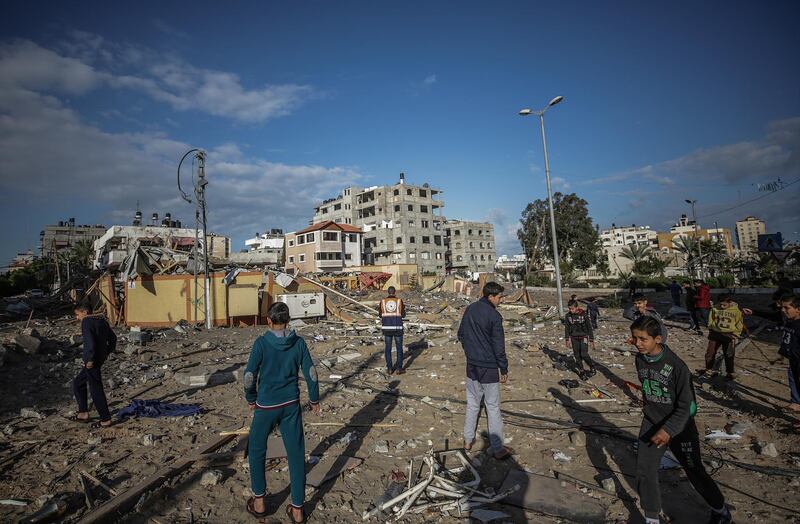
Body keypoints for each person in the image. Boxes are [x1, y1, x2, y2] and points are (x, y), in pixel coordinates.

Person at [629, 316, 731, 524]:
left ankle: (721, 511)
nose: (637, 343)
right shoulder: (640, 359)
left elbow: (688, 407)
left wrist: (668, 430)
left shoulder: (677, 367)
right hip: (652, 422)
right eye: (634, 338)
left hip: (679, 427)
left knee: (694, 470)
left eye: (642, 339)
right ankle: (651, 519)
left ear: (658, 339)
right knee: (645, 470)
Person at [244, 301, 320, 522]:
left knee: (257, 450)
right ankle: (297, 510)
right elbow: (312, 373)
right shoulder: (298, 343)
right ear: (288, 321)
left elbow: (249, 376)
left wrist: (251, 398)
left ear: (269, 321)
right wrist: (314, 398)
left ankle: (259, 502)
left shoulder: (261, 344)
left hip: (266, 406)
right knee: (296, 454)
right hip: (290, 405)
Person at [457, 281, 514, 459]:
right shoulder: (494, 316)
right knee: (493, 407)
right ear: (491, 297)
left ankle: (467, 441)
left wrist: (470, 352)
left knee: (473, 404)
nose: (501, 300)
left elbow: (461, 335)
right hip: (488, 368)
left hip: (472, 366)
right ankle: (498, 449)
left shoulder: (470, 309)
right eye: (499, 297)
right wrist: (503, 368)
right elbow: (499, 346)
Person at [72, 302, 115, 427]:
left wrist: (90, 359)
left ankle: (105, 419)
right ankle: (83, 412)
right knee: (78, 382)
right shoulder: (101, 320)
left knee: (95, 388)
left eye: (77, 314)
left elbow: (90, 342)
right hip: (99, 358)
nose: (77, 317)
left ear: (85, 312)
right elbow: (113, 339)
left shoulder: (86, 322)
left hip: (91, 361)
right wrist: (106, 352)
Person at [700, 294, 744, 380]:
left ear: (730, 302)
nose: (722, 306)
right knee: (710, 353)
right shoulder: (715, 308)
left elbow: (739, 323)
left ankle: (730, 372)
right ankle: (708, 370)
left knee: (729, 355)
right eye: (721, 304)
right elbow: (711, 320)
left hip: (729, 335)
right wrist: (711, 328)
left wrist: (736, 334)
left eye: (725, 305)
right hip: (715, 334)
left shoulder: (736, 311)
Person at [779, 294, 800, 418]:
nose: (783, 310)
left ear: (798, 309)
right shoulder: (790, 321)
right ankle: (796, 403)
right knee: (794, 382)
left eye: (786, 308)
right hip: (793, 359)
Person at [564, 299, 596, 379]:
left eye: (572, 308)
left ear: (577, 307)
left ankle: (592, 366)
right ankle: (581, 371)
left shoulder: (584, 315)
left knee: (584, 354)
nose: (571, 310)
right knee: (577, 355)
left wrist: (591, 340)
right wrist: (567, 339)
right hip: (574, 338)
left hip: (584, 337)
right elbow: (567, 328)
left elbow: (589, 327)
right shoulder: (568, 316)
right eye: (569, 309)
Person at [379, 286, 406, 375]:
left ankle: (390, 368)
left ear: (388, 292)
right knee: (399, 348)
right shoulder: (399, 301)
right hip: (397, 328)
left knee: (388, 349)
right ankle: (399, 368)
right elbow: (403, 314)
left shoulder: (382, 302)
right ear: (395, 292)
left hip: (387, 328)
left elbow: (380, 315)